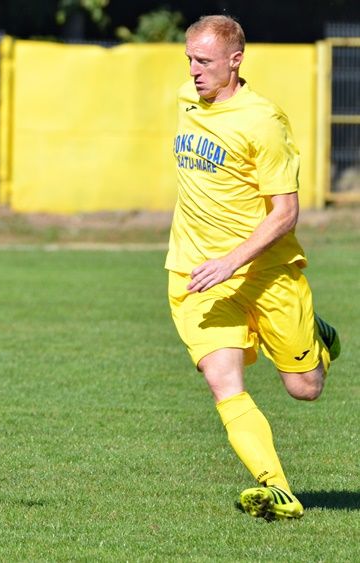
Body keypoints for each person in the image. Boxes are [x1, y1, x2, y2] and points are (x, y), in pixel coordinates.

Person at [167, 15, 341, 521]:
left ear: (235, 61)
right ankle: (277, 487)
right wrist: (213, 265)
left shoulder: (263, 121)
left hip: (265, 272)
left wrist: (232, 260)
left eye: (204, 61)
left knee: (304, 388)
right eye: (190, 60)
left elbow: (285, 214)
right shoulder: (187, 100)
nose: (194, 71)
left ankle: (317, 334)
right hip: (194, 274)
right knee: (224, 382)